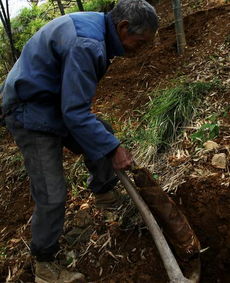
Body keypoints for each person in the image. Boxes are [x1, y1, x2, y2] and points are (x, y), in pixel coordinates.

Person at [2, 0, 158, 282]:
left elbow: (74, 107)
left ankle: (105, 195)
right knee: (52, 193)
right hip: (30, 110)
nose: (143, 48)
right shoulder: (89, 43)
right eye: (141, 41)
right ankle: (44, 265)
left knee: (102, 131)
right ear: (123, 27)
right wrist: (114, 148)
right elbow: (74, 112)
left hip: (53, 103)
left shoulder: (98, 29)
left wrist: (106, 142)